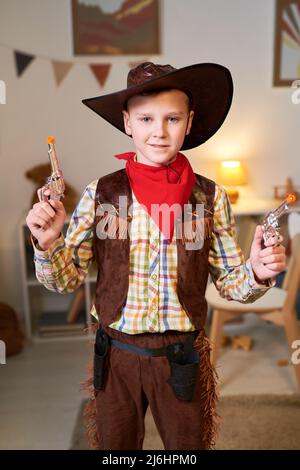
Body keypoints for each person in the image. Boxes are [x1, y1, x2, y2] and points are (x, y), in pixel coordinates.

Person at [26, 62, 286, 450]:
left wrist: (257, 272)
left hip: (181, 357)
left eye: (172, 118)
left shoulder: (209, 198)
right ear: (128, 122)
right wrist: (48, 243)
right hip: (116, 356)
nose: (159, 131)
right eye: (146, 118)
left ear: (189, 121)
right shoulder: (102, 194)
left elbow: (231, 283)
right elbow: (64, 281)